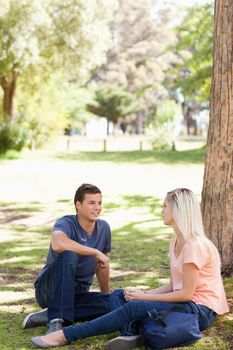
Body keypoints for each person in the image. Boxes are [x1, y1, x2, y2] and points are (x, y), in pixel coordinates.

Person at [31, 188, 229, 349]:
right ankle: (131, 333)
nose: (162, 210)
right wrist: (142, 292)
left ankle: (66, 335)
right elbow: (173, 285)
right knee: (120, 296)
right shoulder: (176, 241)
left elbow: (185, 294)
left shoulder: (194, 245)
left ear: (178, 210)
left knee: (134, 305)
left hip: (201, 310)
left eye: (165, 206)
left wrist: (146, 297)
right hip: (185, 303)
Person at [22, 183, 113, 334]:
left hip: (78, 293)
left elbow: (102, 265)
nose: (97, 207)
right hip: (49, 290)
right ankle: (56, 320)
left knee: (114, 302)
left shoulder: (104, 228)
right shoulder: (66, 222)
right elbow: (58, 243)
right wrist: (95, 252)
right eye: (91, 203)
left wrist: (106, 296)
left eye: (99, 203)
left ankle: (49, 314)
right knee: (68, 252)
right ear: (78, 205)